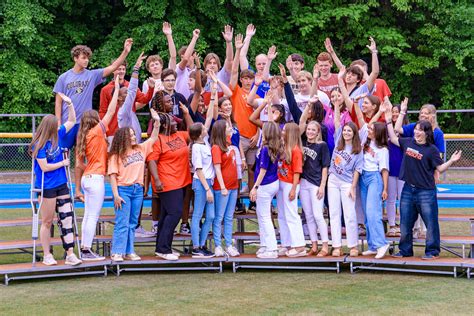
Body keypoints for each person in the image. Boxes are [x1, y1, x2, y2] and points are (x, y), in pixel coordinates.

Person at [385, 101, 462, 260]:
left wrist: (452, 161)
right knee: (405, 222)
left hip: (425, 190)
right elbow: (393, 136)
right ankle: (405, 250)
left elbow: (439, 168)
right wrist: (389, 119)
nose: (417, 132)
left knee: (431, 223)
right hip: (408, 188)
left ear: (427, 133)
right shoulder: (408, 142)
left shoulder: (431, 150)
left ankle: (432, 252)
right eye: (416, 130)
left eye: (420, 130)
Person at [29, 93, 82, 266]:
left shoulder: (58, 135)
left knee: (67, 217)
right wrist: (63, 163)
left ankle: (70, 253)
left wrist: (70, 104)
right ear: (49, 127)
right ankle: (47, 255)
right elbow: (44, 167)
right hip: (47, 186)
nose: (59, 125)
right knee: (47, 221)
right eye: (56, 124)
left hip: (61, 184)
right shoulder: (40, 144)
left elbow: (72, 121)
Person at [53, 38, 133, 149]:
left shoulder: (92, 75)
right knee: (62, 151)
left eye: (88, 58)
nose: (86, 60)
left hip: (86, 123)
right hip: (68, 122)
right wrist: (58, 123)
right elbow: (58, 103)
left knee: (83, 153)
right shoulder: (63, 78)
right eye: (83, 58)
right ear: (75, 58)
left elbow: (113, 67)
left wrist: (125, 52)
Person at [75, 76, 120, 261]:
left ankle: (85, 248)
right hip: (95, 178)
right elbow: (110, 111)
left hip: (87, 178)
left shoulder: (82, 137)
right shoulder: (97, 131)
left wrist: (78, 187)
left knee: (88, 215)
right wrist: (116, 89)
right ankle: (86, 250)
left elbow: (79, 165)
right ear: (95, 120)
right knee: (93, 216)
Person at [108, 109, 160, 262]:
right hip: (123, 189)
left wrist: (156, 122)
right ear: (122, 138)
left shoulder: (141, 148)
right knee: (122, 222)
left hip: (138, 190)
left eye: (133, 134)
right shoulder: (116, 155)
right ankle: (117, 251)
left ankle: (129, 250)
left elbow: (154, 138)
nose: (133, 136)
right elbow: (112, 176)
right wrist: (116, 195)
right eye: (129, 135)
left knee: (132, 223)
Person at [147, 111, 192, 261]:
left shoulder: (179, 134)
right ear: (165, 125)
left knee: (166, 215)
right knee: (175, 213)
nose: (176, 123)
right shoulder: (158, 139)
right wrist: (157, 179)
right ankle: (163, 248)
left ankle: (162, 247)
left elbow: (195, 131)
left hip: (181, 180)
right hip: (167, 182)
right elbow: (152, 161)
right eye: (173, 122)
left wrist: (186, 114)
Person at [327, 100, 364, 257]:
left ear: (354, 133)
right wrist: (336, 106)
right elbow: (336, 122)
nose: (346, 133)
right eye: (345, 130)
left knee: (349, 214)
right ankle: (336, 246)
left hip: (347, 183)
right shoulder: (338, 142)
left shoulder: (357, 149)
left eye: (350, 131)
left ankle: (353, 245)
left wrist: (353, 187)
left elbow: (358, 169)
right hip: (333, 180)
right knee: (334, 214)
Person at [354, 104, 390, 259]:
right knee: (367, 215)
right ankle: (373, 245)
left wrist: (385, 189)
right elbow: (364, 122)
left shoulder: (383, 150)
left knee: (373, 212)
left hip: (374, 178)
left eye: (371, 130)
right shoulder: (365, 143)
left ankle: (382, 243)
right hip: (363, 178)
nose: (368, 130)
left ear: (378, 133)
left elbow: (384, 170)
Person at [229, 33, 259, 212]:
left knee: (252, 168)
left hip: (254, 136)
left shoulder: (257, 94)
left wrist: (258, 133)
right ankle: (238, 201)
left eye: (250, 78)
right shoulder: (236, 92)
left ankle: (253, 201)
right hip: (238, 136)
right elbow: (233, 71)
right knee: (238, 169)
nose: (248, 81)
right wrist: (238, 48)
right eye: (245, 78)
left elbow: (260, 117)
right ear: (241, 80)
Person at [189, 82, 216, 258]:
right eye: (204, 129)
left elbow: (208, 117)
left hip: (209, 183)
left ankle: (202, 243)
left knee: (211, 216)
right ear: (199, 133)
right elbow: (198, 170)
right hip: (202, 184)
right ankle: (196, 246)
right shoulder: (196, 148)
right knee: (198, 215)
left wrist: (213, 96)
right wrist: (207, 189)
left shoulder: (204, 142)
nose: (206, 128)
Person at [99, 59, 153, 142]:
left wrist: (151, 89)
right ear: (113, 70)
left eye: (123, 69)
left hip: (130, 131)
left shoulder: (130, 86)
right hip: (112, 131)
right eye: (119, 69)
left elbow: (144, 99)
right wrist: (103, 131)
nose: (121, 71)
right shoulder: (105, 89)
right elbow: (103, 112)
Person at [298, 120, 330, 256]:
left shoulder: (322, 146)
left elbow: (325, 167)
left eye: (313, 130)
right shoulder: (302, 143)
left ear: (318, 132)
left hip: (315, 183)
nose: (310, 132)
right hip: (303, 182)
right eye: (308, 129)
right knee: (309, 216)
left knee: (318, 215)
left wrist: (322, 185)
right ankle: (314, 245)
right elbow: (300, 124)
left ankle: (325, 245)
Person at [249, 122, 281, 259]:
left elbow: (262, 170)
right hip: (273, 182)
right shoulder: (275, 146)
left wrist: (255, 187)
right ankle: (264, 244)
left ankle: (272, 248)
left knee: (265, 217)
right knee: (261, 214)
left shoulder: (265, 149)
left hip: (265, 183)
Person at [211, 120, 240, 257]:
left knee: (229, 217)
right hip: (222, 188)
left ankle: (229, 244)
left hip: (233, 186)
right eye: (228, 127)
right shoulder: (216, 148)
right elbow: (217, 169)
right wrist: (223, 187)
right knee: (219, 217)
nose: (230, 128)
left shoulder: (230, 145)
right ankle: (218, 245)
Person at [277, 123, 306, 257]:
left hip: (290, 184)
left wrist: (293, 189)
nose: (282, 132)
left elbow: (297, 172)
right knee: (282, 215)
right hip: (282, 183)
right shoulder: (286, 148)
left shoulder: (296, 150)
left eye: (284, 130)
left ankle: (299, 246)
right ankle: (286, 243)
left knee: (292, 214)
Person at [386, 100, 409, 237]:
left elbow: (396, 132)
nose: (394, 114)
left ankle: (403, 224)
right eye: (393, 111)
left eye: (397, 111)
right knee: (390, 198)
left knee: (403, 198)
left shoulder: (406, 129)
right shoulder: (385, 127)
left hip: (403, 168)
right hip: (390, 168)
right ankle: (392, 225)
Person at [163, 22, 200, 99]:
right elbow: (175, 56)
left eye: (188, 54)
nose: (184, 58)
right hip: (180, 104)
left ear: (193, 56)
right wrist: (194, 37)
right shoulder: (179, 70)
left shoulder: (199, 70)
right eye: (181, 57)